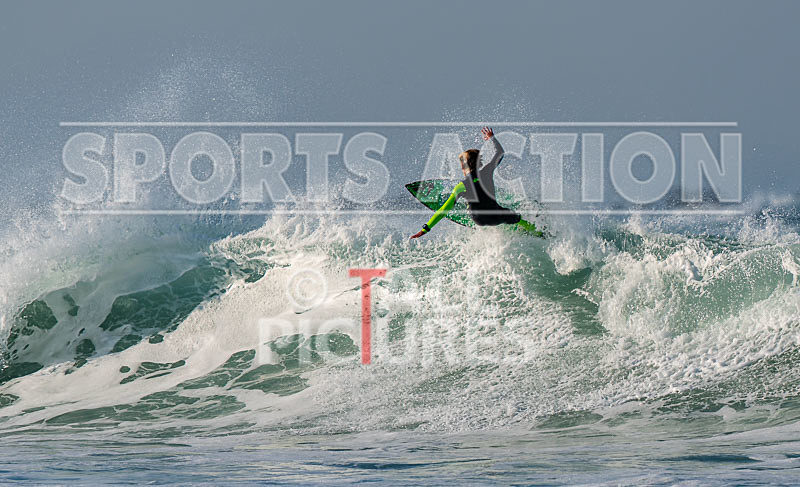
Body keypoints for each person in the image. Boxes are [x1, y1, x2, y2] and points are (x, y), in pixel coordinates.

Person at [410, 127, 542, 239]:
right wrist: (492, 138)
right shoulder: (487, 171)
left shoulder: (461, 186)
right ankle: (537, 232)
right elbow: (500, 153)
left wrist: (425, 229)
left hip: (478, 220)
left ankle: (468, 206)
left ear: (465, 166)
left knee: (465, 201)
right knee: (516, 217)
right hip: (497, 216)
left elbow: (443, 210)